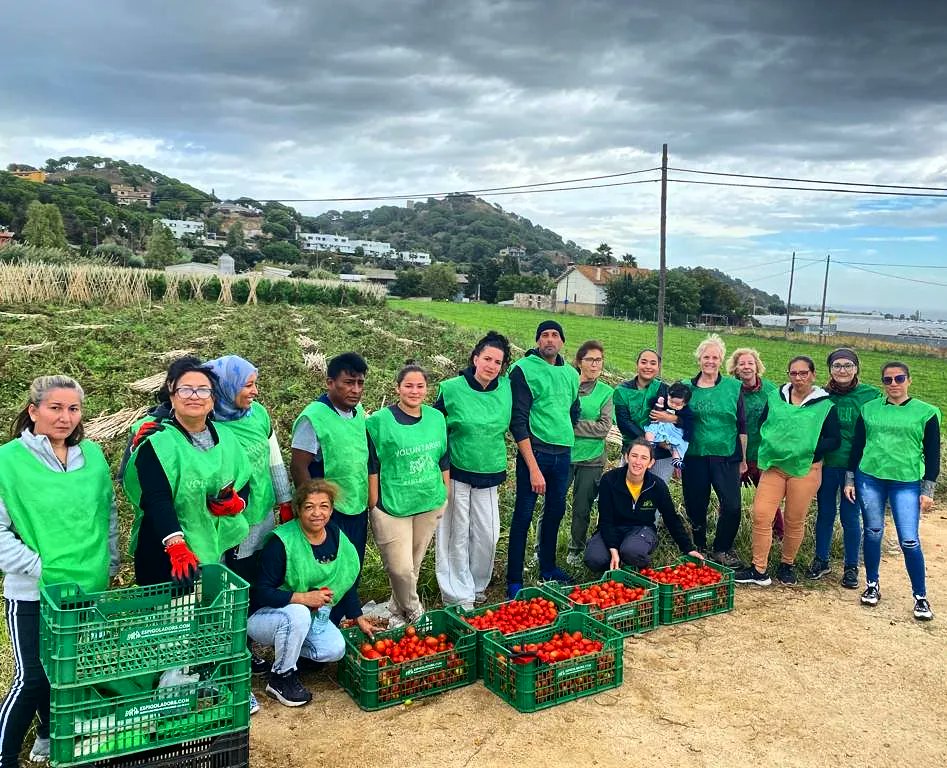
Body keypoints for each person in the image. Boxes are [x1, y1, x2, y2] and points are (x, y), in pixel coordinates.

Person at [0, 376, 118, 768]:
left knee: (65, 674)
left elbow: (106, 513)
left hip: (85, 587)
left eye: (73, 409)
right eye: (55, 408)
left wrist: (110, 561)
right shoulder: (8, 461)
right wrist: (38, 567)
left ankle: (49, 737)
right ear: (33, 411)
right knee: (32, 679)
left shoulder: (92, 457)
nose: (65, 417)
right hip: (34, 591)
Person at [123, 360, 252, 588]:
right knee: (173, 610)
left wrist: (237, 502)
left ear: (213, 399)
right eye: (185, 390)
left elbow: (243, 479)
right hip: (169, 557)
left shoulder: (227, 438)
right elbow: (157, 499)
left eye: (203, 390)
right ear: (172, 396)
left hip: (218, 545)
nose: (194, 396)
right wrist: (176, 545)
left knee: (214, 606)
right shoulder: (157, 442)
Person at [206, 355, 293, 687]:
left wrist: (285, 500)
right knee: (231, 582)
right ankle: (230, 648)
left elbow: (274, 459)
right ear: (226, 387)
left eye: (255, 383)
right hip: (228, 519)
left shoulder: (258, 414)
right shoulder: (209, 423)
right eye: (248, 385)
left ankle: (247, 642)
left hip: (261, 512)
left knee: (255, 576)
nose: (255, 391)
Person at [249, 479, 375, 707]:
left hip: (307, 618)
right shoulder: (281, 542)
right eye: (309, 507)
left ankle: (291, 653)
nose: (317, 513)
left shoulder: (335, 535)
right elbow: (260, 593)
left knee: (335, 649)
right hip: (265, 617)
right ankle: (280, 678)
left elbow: (344, 579)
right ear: (298, 509)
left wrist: (358, 617)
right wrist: (302, 598)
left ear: (332, 509)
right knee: (298, 612)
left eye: (324, 506)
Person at [845, 362, 940, 620]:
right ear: (883, 383)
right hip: (870, 477)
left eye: (899, 378)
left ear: (909, 380)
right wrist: (850, 479)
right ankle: (872, 584)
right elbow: (857, 446)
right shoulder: (869, 409)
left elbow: (932, 453)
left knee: (909, 539)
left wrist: (928, 489)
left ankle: (920, 596)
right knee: (873, 532)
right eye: (888, 380)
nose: (894, 384)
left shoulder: (926, 413)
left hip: (906, 481)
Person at [734, 356, 840, 586]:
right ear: (788, 375)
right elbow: (764, 424)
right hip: (775, 466)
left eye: (803, 373)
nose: (798, 378)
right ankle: (758, 569)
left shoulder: (825, 406)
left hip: (805, 469)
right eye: (794, 373)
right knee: (761, 514)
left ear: (813, 375)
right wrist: (776, 443)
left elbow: (834, 439)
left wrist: (807, 448)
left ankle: (787, 564)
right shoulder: (776, 397)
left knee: (794, 519)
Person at [434, 332, 512, 610]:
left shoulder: (507, 388)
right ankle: (457, 592)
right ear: (475, 358)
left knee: (487, 534)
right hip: (456, 470)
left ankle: (477, 585)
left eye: (498, 362)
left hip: (490, 470)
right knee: (455, 533)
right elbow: (436, 428)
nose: (491, 365)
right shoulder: (451, 389)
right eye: (487, 359)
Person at [367, 362, 449, 627]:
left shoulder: (436, 418)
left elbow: (443, 457)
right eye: (409, 386)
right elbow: (371, 463)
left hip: (428, 501)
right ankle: (414, 610)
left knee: (413, 565)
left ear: (427, 388)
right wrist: (373, 502)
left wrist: (445, 493)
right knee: (399, 568)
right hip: (392, 504)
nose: (415, 391)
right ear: (398, 388)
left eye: (420, 386)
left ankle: (395, 608)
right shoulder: (379, 422)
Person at [506, 320, 580, 598]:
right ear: (538, 341)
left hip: (563, 453)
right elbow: (518, 421)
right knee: (523, 515)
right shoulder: (523, 370)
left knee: (555, 512)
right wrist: (533, 468)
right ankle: (514, 579)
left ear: (562, 341)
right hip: (535, 452)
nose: (550, 339)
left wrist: (563, 433)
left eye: (555, 335)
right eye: (544, 335)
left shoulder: (570, 374)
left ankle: (548, 567)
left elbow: (574, 410)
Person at [807, 348, 881, 587]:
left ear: (856, 368)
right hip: (827, 464)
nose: (842, 370)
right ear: (830, 369)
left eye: (848, 365)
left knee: (850, 516)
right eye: (837, 365)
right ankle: (821, 559)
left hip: (856, 466)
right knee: (825, 513)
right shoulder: (821, 395)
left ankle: (851, 566)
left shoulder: (870, 395)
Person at [290, 353, 370, 569]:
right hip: (328, 510)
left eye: (360, 383)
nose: (355, 390)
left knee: (353, 564)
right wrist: (314, 509)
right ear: (330, 383)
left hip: (356, 504)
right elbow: (298, 466)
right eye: (348, 383)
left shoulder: (358, 411)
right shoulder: (313, 417)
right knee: (329, 567)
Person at [584, 439, 701, 571]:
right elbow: (605, 519)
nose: (638, 462)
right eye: (634, 456)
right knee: (594, 559)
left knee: (632, 552)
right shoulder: (609, 479)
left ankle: (635, 562)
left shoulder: (656, 485)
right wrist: (613, 549)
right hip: (613, 527)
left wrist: (688, 548)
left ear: (651, 463)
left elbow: (671, 518)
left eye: (644, 458)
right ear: (626, 457)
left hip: (641, 529)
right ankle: (613, 564)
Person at [682, 335, 748, 568]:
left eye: (715, 357)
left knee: (732, 505)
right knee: (695, 504)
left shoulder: (733, 387)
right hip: (694, 455)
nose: (710, 361)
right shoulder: (686, 387)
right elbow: (677, 421)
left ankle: (722, 548)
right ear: (699, 359)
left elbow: (741, 425)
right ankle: (698, 546)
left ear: (721, 360)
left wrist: (743, 458)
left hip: (726, 455)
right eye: (706, 357)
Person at [728, 347, 784, 540]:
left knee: (769, 499)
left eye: (750, 363)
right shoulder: (730, 389)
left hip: (762, 454)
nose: (746, 367)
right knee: (729, 498)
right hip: (736, 453)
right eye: (741, 364)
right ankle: (727, 535)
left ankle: (778, 534)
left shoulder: (770, 390)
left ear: (757, 366)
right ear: (735, 368)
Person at [117, 355, 203, 480]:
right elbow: (125, 478)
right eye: (185, 389)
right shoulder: (148, 427)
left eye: (201, 388)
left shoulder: (213, 424)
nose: (194, 396)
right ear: (171, 388)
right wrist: (137, 450)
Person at [613, 349, 683, 483]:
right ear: (637, 364)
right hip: (633, 449)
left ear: (658, 367)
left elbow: (681, 419)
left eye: (653, 363)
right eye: (644, 362)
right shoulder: (622, 391)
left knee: (655, 489)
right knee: (626, 489)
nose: (648, 366)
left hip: (661, 455)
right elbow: (624, 423)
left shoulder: (666, 390)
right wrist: (652, 440)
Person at [644, 381, 692, 468]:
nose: (673, 405)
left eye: (678, 404)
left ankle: (676, 459)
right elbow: (651, 403)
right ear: (668, 395)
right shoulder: (664, 401)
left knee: (681, 443)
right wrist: (659, 403)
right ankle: (649, 442)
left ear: (685, 403)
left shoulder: (686, 412)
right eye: (671, 401)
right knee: (651, 429)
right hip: (660, 426)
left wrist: (685, 435)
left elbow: (688, 424)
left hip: (673, 432)